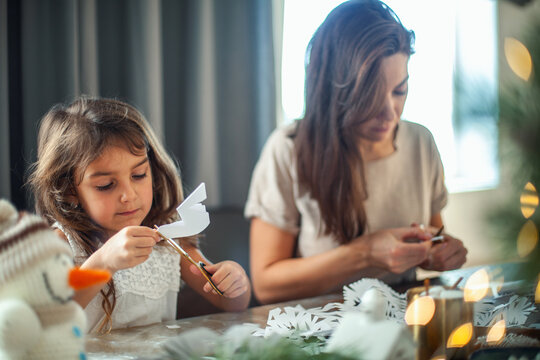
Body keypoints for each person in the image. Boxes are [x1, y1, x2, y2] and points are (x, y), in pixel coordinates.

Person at [245, 0, 467, 304]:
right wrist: (365, 254)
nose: (390, 113)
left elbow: (433, 237)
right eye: (371, 96)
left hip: (404, 321)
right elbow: (267, 285)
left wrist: (439, 253)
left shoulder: (421, 143)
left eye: (399, 91)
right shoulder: (287, 149)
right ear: (335, 88)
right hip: (317, 330)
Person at [28, 97, 251, 333]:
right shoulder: (61, 245)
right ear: (70, 191)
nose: (129, 195)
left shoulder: (168, 239)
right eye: (106, 185)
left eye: (138, 175)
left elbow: (232, 304)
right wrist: (103, 262)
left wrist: (236, 284)